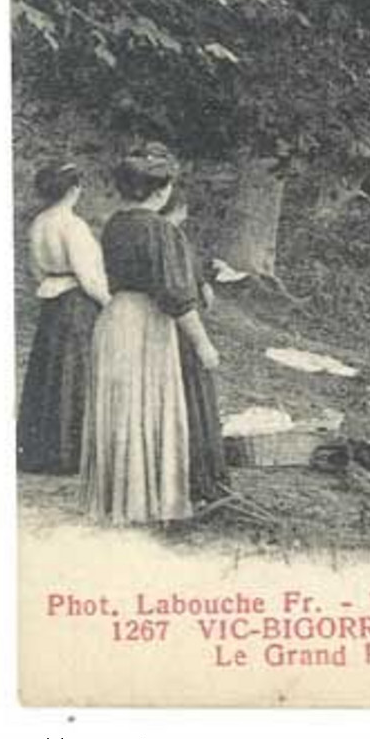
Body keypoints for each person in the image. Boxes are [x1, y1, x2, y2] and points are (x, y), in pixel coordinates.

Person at [81, 144, 220, 525]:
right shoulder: (160, 229)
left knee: (124, 408)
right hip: (147, 322)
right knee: (148, 406)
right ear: (161, 191)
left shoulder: (115, 224)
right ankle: (147, 504)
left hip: (114, 319)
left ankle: (120, 503)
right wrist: (203, 344)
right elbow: (176, 296)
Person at [17, 163, 111, 475]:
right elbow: (88, 276)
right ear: (72, 190)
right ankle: (70, 454)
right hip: (76, 302)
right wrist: (108, 303)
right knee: (75, 372)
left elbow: (36, 270)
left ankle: (40, 449)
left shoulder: (39, 223)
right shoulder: (72, 225)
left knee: (49, 372)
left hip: (52, 302)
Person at [162, 190, 229, 505]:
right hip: (176, 326)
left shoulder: (175, 236)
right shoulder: (166, 236)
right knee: (191, 390)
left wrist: (202, 282)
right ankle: (197, 472)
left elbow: (190, 266)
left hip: (181, 318)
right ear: (182, 208)